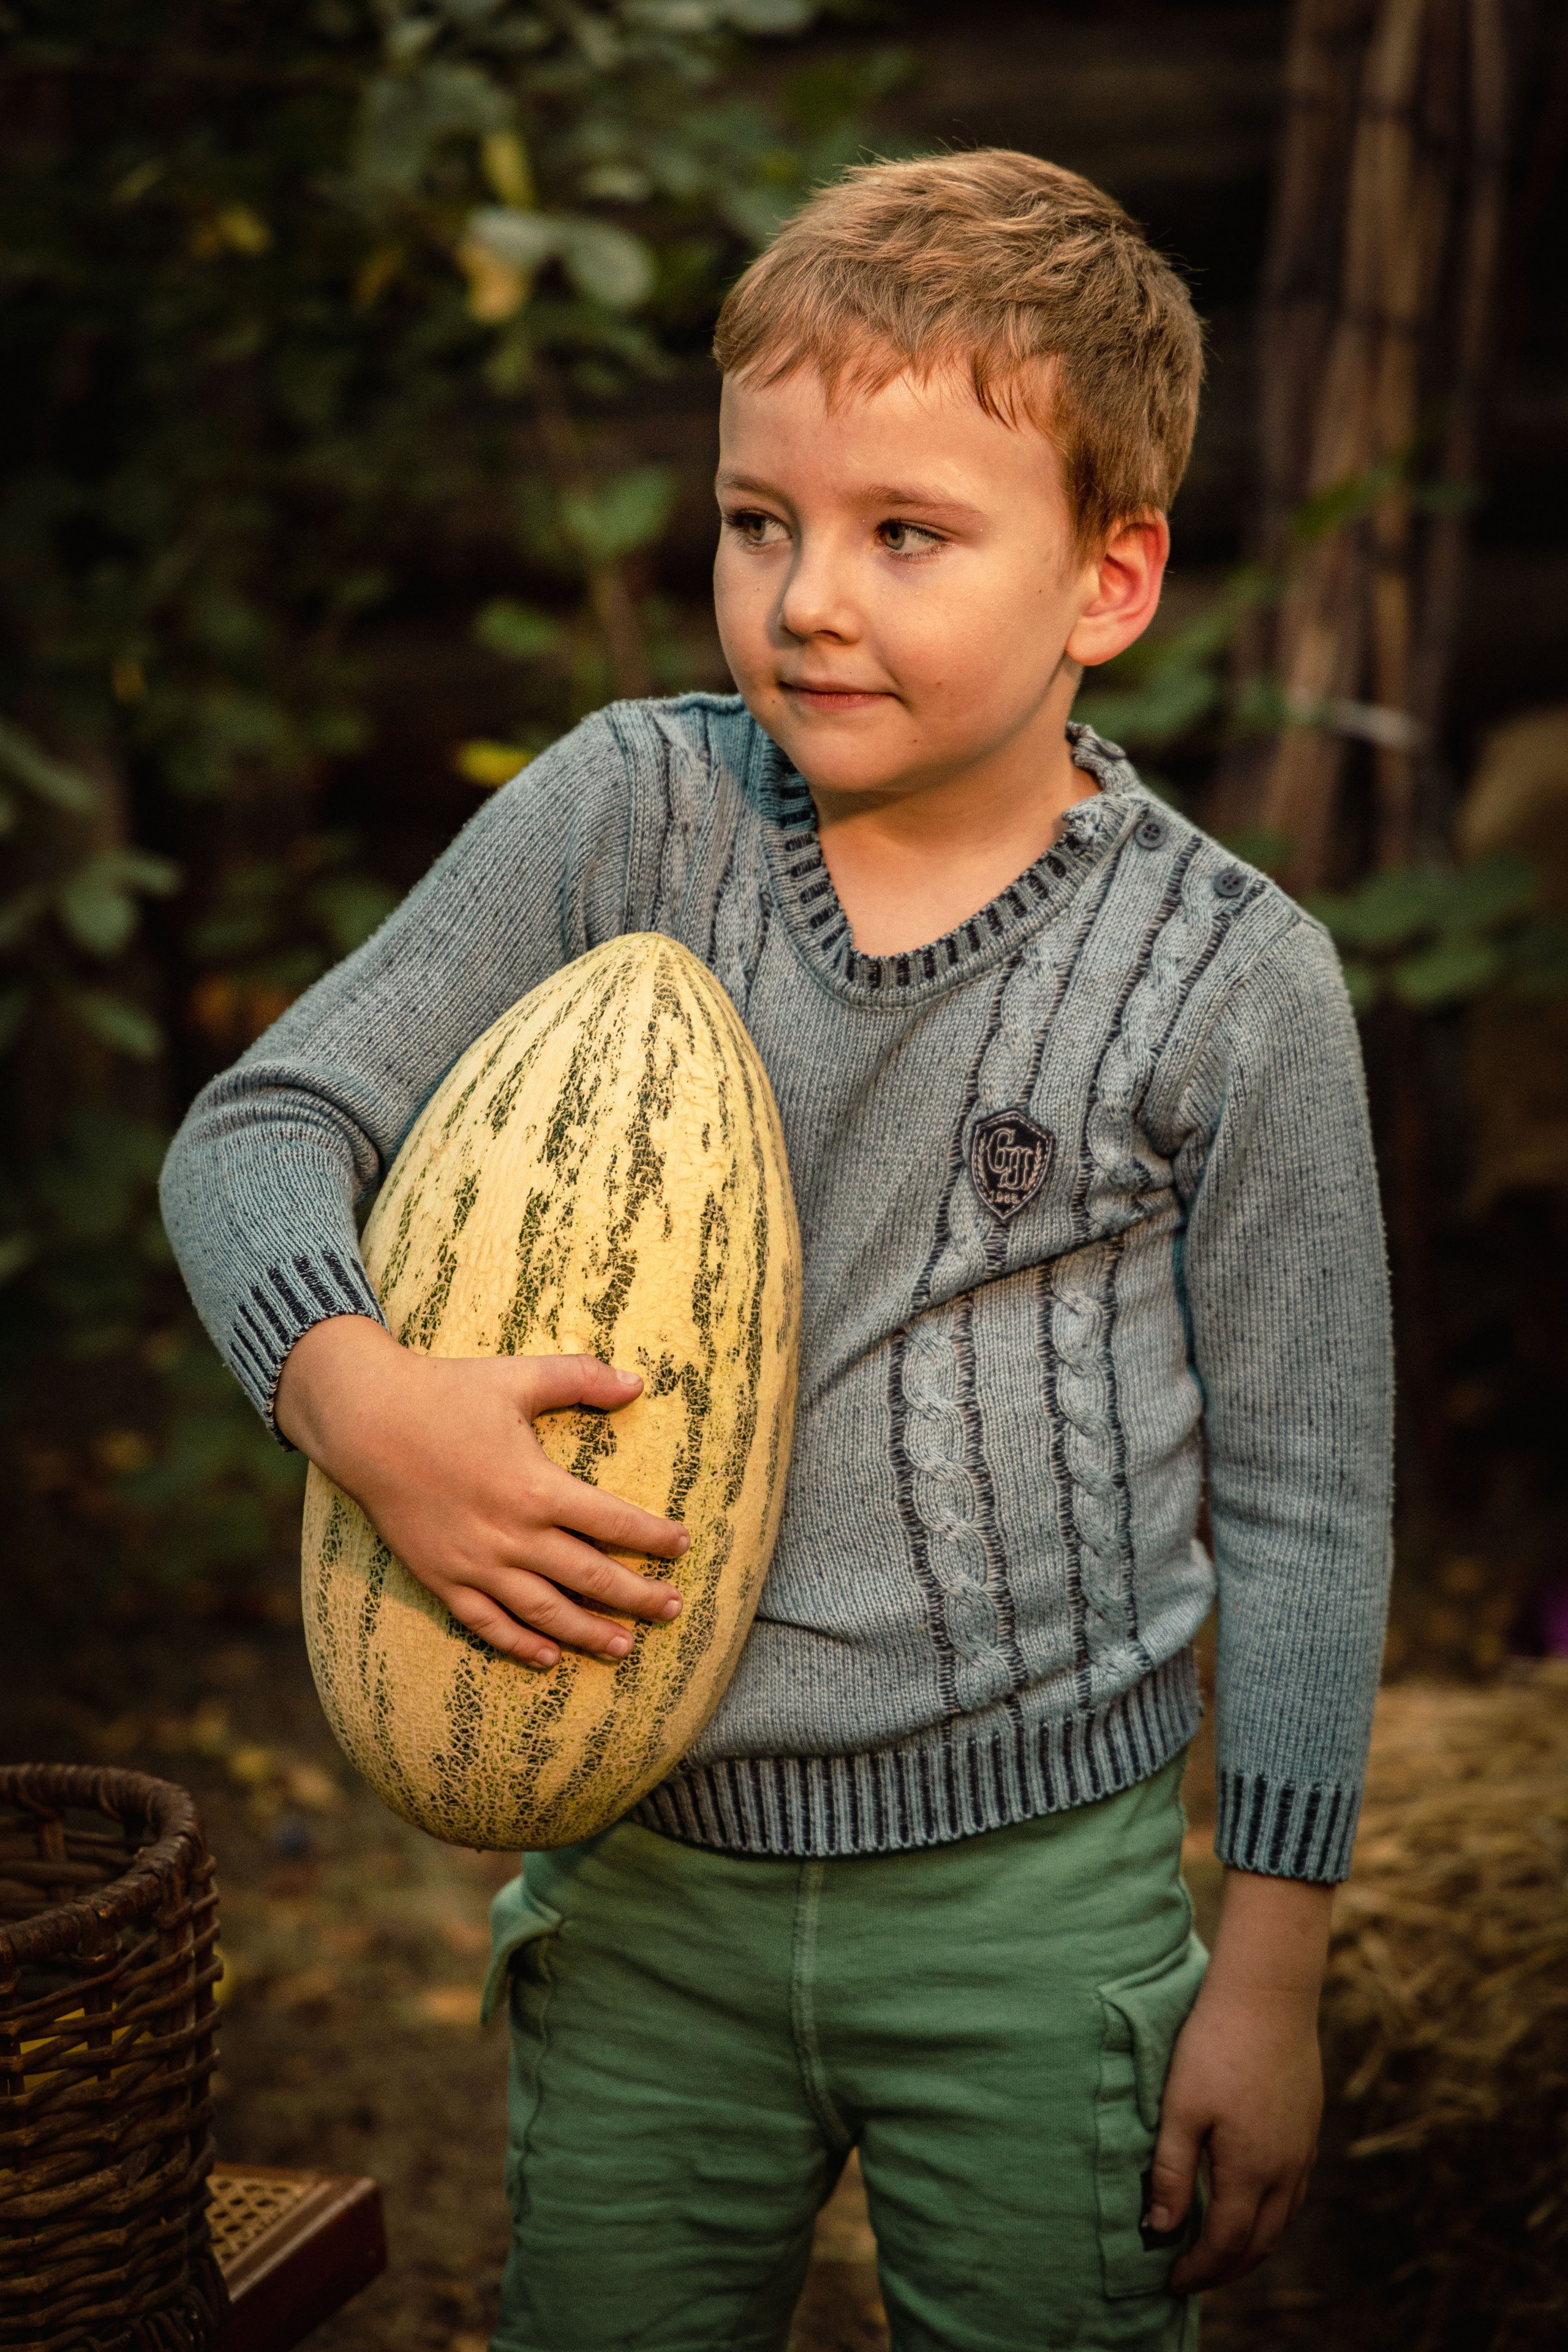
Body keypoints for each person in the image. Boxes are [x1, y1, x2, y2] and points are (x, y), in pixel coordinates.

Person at [161, 150, 1393, 2352]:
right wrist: (364, 1402)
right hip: (642, 1882)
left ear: (1110, 579)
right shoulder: (626, 819)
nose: (809, 598)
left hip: (1040, 1916)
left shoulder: (1233, 981)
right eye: (761, 523)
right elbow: (261, 1127)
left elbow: (1308, 1499)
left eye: (906, 535)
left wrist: (1271, 1971)